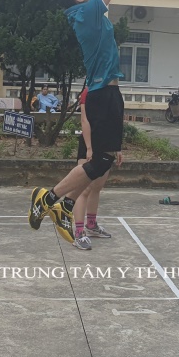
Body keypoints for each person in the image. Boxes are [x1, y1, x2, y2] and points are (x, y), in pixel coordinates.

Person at [29, 0, 125, 243]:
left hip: (107, 92)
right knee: (98, 162)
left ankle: (63, 205)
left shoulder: (87, 11)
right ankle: (49, 198)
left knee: (103, 161)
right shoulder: (87, 12)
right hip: (102, 95)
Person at [70, 86, 120, 250]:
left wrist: (117, 147)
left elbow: (114, 121)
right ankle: (78, 232)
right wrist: (89, 148)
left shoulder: (111, 91)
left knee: (97, 186)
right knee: (83, 189)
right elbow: (84, 121)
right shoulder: (88, 91)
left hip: (106, 144)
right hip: (89, 144)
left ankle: (91, 225)